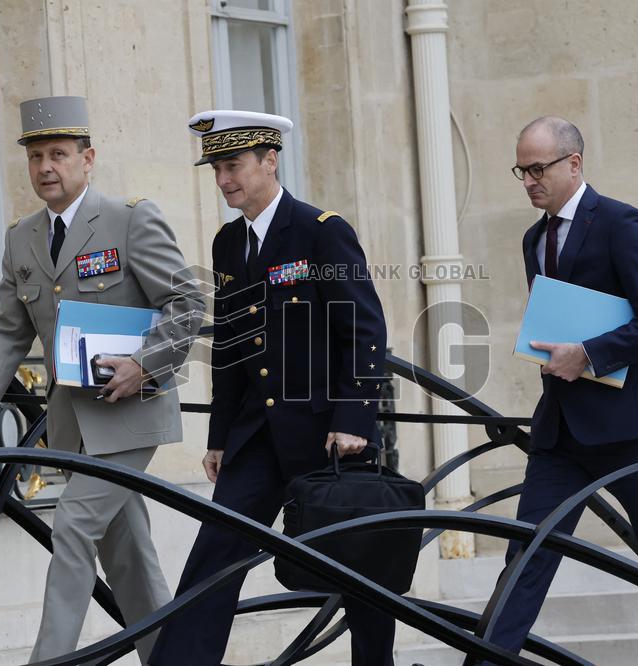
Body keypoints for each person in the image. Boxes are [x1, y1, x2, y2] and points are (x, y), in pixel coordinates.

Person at [0, 95, 205, 663]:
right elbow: (6, 331)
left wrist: (146, 362)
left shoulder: (130, 219)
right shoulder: (22, 239)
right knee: (128, 555)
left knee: (72, 528)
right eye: (36, 155)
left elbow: (187, 303)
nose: (45, 167)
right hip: (74, 426)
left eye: (58, 154)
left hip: (130, 416)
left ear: (88, 159)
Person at [148, 110, 393, 665]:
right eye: (216, 168)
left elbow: (366, 329)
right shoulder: (228, 244)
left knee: (358, 563)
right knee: (215, 554)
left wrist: (353, 420)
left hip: (326, 431)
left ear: (270, 160)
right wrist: (218, 437)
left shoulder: (321, 230)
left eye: (232, 165)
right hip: (257, 434)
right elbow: (232, 348)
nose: (223, 179)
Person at [481, 116, 638, 664]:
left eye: (538, 168)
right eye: (522, 170)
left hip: (629, 431)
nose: (529, 181)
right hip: (560, 433)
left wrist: (587, 354)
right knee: (526, 560)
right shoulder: (532, 238)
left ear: (574, 163)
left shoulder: (619, 222)